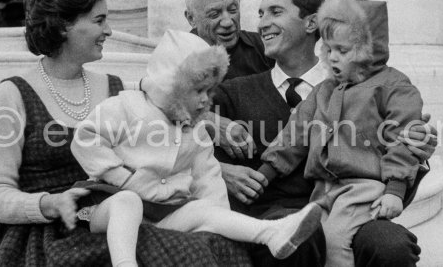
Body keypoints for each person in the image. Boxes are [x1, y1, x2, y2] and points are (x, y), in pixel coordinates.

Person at [0, 0, 252, 267]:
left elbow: (170, 116)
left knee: (209, 245)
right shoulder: (12, 95)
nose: (109, 31)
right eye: (99, 20)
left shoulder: (116, 88)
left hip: (117, 224)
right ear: (64, 24)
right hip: (44, 238)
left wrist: (208, 121)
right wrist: (48, 203)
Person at [212, 0, 437, 266]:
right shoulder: (238, 91)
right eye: (260, 14)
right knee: (298, 239)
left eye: (275, 12)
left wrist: (403, 176)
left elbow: (401, 140)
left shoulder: (384, 86)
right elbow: (294, 135)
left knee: (388, 245)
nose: (262, 24)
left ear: (311, 23)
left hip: (359, 194)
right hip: (292, 207)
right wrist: (221, 147)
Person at [70, 30, 323, 267]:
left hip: (161, 214)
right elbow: (85, 139)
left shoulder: (195, 128)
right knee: (128, 201)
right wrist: (122, 177)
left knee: (203, 209)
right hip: (104, 209)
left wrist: (219, 218)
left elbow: (207, 177)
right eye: (198, 90)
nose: (205, 99)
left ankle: (272, 234)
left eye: (209, 91)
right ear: (171, 84)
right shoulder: (126, 106)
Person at [258, 0, 424, 266]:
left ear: (369, 50)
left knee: (335, 243)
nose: (333, 57)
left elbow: (403, 138)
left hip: (363, 187)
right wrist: (267, 171)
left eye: (343, 50)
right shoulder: (324, 90)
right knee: (312, 239)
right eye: (329, 49)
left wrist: (395, 189)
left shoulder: (392, 86)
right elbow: (295, 133)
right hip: (324, 190)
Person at [185, 0, 274, 79]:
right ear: (191, 18)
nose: (228, 23)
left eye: (232, 10)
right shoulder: (179, 60)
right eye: (214, 15)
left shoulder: (264, 45)